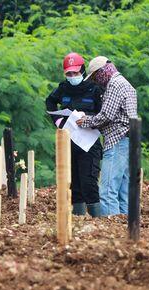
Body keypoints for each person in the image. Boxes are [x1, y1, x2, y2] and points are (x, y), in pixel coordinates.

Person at [77, 56, 137, 216]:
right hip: (129, 141)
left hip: (117, 141)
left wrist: (85, 121)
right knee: (123, 192)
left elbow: (106, 116)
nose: (96, 81)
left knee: (107, 191)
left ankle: (112, 233)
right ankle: (126, 232)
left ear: (102, 72)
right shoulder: (126, 83)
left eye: (96, 77)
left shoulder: (115, 85)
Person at [46, 52, 104, 217]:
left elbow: (103, 114)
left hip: (89, 143)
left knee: (89, 183)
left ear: (83, 71)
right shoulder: (63, 88)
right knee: (75, 185)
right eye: (69, 73)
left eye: (76, 73)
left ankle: (98, 221)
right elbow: (50, 102)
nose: (72, 76)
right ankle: (78, 220)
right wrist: (58, 122)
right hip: (70, 142)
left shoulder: (94, 89)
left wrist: (90, 120)